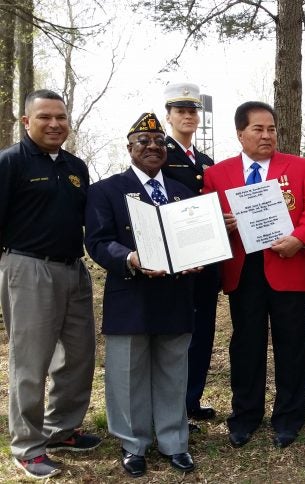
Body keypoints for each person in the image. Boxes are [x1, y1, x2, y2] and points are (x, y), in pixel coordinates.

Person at [203, 101, 305, 449]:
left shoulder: (301, 168)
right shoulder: (217, 174)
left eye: (271, 128)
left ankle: (289, 418)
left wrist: (299, 239)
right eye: (258, 129)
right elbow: (205, 218)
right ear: (240, 133)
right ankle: (245, 416)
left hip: (288, 264)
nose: (267, 135)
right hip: (244, 271)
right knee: (246, 345)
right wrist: (220, 225)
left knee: (293, 345)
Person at [85, 113, 197, 478]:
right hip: (130, 294)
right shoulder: (106, 190)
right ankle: (133, 445)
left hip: (175, 295)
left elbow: (195, 239)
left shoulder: (183, 192)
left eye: (159, 143)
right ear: (129, 147)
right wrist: (130, 257)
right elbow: (98, 242)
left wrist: (199, 258)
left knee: (172, 371)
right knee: (127, 374)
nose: (153, 148)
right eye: (143, 142)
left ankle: (174, 442)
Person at [0, 89, 100, 480]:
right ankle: (27, 445)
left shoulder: (76, 166)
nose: (55, 123)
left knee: (78, 355)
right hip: (28, 268)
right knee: (31, 361)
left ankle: (62, 429)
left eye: (61, 117)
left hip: (73, 269)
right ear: (27, 122)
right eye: (45, 117)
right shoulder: (10, 162)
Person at [160, 82, 220, 427]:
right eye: (181, 110)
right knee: (178, 334)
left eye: (193, 110)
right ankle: (173, 407)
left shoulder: (207, 161)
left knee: (202, 332)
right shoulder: (160, 155)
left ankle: (191, 399)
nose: (188, 116)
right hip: (177, 262)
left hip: (207, 261)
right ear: (168, 116)